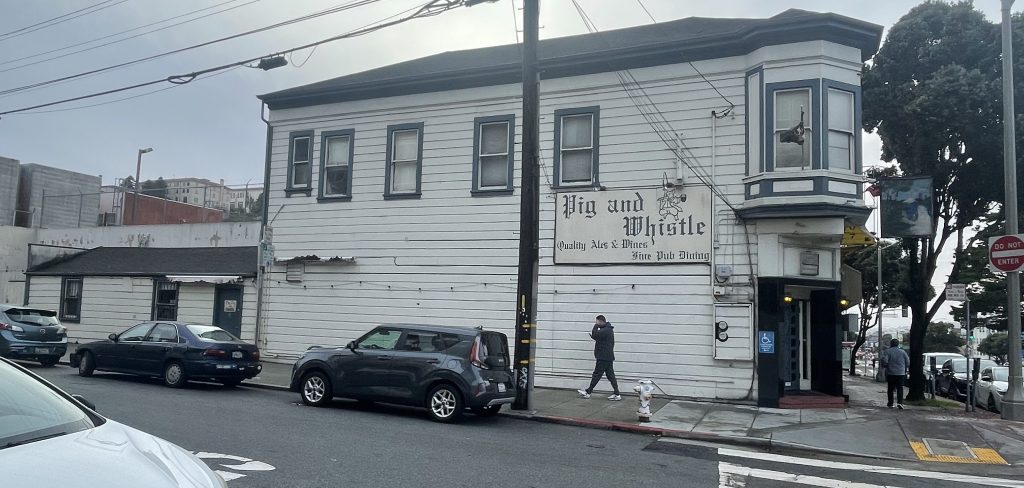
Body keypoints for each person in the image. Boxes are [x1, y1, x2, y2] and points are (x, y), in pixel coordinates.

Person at [577, 315, 621, 401]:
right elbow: (597, 336)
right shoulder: (607, 330)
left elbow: (595, 334)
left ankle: (588, 392)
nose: (596, 323)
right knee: (610, 375)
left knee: (597, 374)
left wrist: (596, 326)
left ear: (601, 321)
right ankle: (617, 394)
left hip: (603, 357)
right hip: (607, 357)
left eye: (597, 322)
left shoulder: (606, 330)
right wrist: (595, 334)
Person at [881, 338, 909, 409]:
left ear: (891, 344)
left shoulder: (888, 351)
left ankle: (890, 403)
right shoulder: (903, 352)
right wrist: (905, 368)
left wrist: (885, 366)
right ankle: (900, 402)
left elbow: (885, 361)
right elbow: (908, 362)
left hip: (891, 373)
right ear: (898, 344)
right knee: (900, 388)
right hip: (901, 373)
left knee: (890, 389)